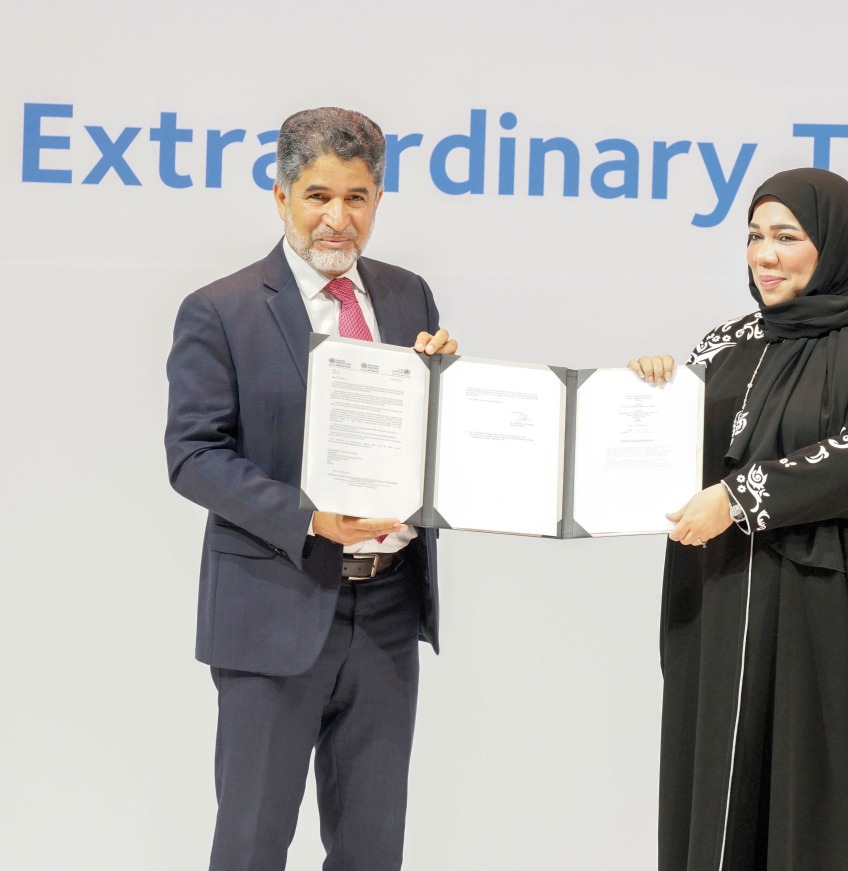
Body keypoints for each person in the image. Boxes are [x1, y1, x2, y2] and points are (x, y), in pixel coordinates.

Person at [630, 167, 848, 871]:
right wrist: (648, 396)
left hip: (835, 623)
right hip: (726, 613)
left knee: (819, 816)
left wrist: (741, 497)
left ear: (834, 243)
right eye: (754, 236)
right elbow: (670, 463)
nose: (764, 254)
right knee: (723, 807)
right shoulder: (726, 344)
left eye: (786, 236)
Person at [165, 107, 457, 871]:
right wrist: (312, 520)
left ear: (378, 200)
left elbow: (425, 442)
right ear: (281, 196)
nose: (338, 218)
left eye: (356, 197)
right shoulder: (220, 309)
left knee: (371, 850)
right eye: (318, 196)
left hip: (388, 611)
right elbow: (193, 454)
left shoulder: (408, 297)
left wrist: (447, 386)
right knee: (253, 844)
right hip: (274, 608)